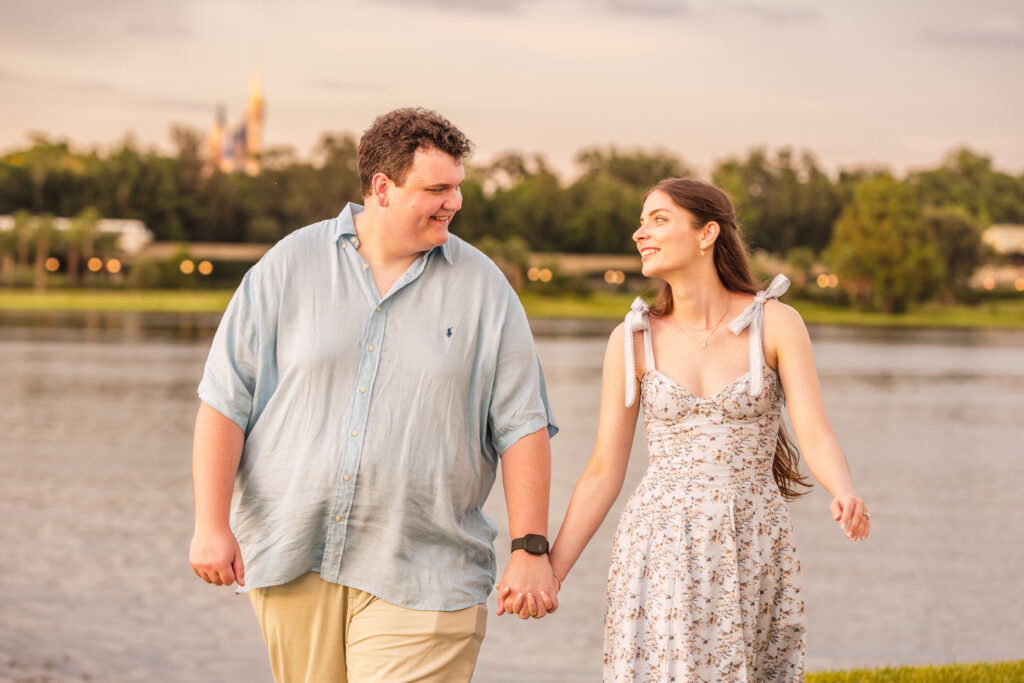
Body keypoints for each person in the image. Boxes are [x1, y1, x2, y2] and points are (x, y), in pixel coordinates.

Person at [188, 108, 560, 683]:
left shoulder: (484, 287)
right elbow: (224, 402)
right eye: (436, 189)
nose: (454, 203)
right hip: (292, 555)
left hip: (427, 568)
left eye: (457, 187)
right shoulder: (288, 265)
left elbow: (522, 424)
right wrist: (211, 524)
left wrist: (530, 547)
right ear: (382, 189)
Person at [508, 178, 870, 680]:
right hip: (659, 543)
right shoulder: (632, 339)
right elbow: (602, 471)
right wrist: (553, 570)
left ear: (707, 234)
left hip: (752, 539)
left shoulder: (776, 323)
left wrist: (843, 489)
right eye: (641, 221)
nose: (640, 233)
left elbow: (815, 432)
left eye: (658, 219)